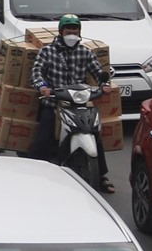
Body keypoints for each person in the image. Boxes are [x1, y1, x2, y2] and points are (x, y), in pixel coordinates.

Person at [30, 14, 115, 192]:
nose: (72, 34)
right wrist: (43, 87)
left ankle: (101, 175)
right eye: (68, 31)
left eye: (75, 31)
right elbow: (37, 72)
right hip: (55, 102)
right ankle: (36, 171)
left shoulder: (85, 52)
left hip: (80, 102)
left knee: (94, 132)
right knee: (44, 132)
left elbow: (98, 71)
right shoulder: (47, 52)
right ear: (61, 32)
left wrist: (104, 84)